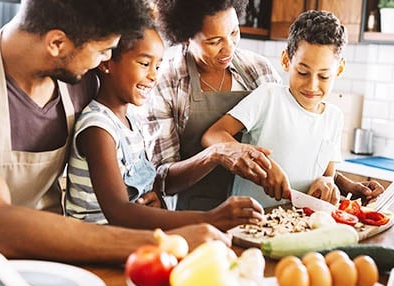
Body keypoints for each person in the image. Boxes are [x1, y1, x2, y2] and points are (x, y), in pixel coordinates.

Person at [0, 0, 232, 272]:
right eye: (102, 52)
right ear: (57, 43)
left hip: (53, 259)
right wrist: (163, 242)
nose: (103, 62)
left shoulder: (80, 79)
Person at [64, 22, 266, 230]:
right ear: (106, 63)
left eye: (157, 66)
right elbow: (119, 212)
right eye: (144, 64)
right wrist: (210, 219)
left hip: (127, 235)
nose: (153, 76)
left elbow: (141, 190)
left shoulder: (131, 119)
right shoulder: (98, 128)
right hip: (97, 241)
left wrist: (153, 197)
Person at [140, 0, 282, 211]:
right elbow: (163, 180)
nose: (229, 48)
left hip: (260, 208)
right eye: (215, 41)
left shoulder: (258, 70)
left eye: (234, 32)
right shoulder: (165, 80)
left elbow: (287, 134)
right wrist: (216, 155)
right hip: (194, 214)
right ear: (186, 37)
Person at [202, 10, 349, 208]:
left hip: (298, 226)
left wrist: (326, 182)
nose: (312, 85)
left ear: (339, 70)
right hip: (248, 220)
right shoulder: (269, 97)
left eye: (323, 76)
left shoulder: (334, 118)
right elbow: (213, 135)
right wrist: (262, 163)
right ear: (286, 61)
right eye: (303, 72)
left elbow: (327, 173)